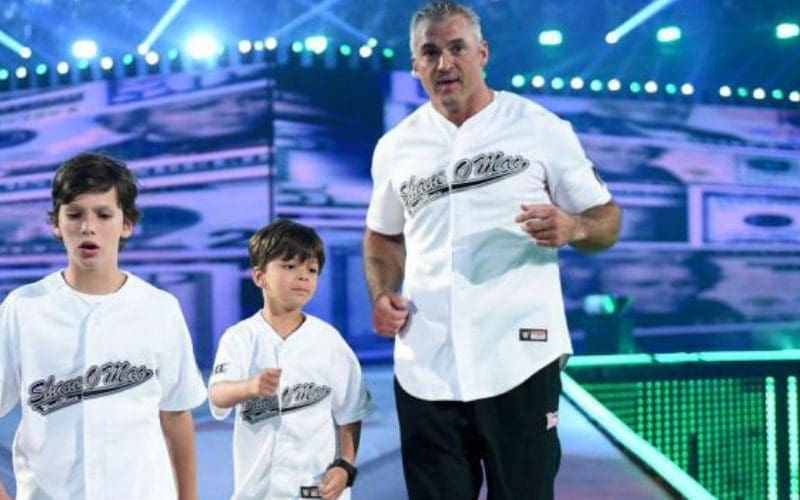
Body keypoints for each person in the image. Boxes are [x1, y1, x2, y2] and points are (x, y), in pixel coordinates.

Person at [363, 2, 622, 499]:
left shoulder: (539, 127)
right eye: (430, 52)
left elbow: (607, 220)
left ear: (482, 53)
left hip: (519, 359)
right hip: (426, 367)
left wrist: (573, 226)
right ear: (415, 65)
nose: (444, 63)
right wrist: (381, 292)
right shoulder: (396, 146)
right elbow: (382, 235)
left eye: (457, 48)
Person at [0, 152, 207, 499]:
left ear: (126, 224)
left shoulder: (160, 309)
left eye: (104, 214)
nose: (88, 227)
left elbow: (176, 414)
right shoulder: (23, 308)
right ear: (56, 223)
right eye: (75, 214)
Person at [208, 219, 373, 500]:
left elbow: (351, 411)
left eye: (311, 270)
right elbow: (217, 395)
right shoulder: (240, 337)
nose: (303, 276)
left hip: (316, 491)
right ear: (260, 277)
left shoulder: (329, 341)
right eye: (289, 266)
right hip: (258, 492)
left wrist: (345, 466)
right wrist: (249, 387)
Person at [595, 252, 745, 328]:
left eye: (682, 284)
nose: (668, 292)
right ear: (605, 287)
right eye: (646, 285)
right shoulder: (586, 323)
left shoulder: (715, 314)